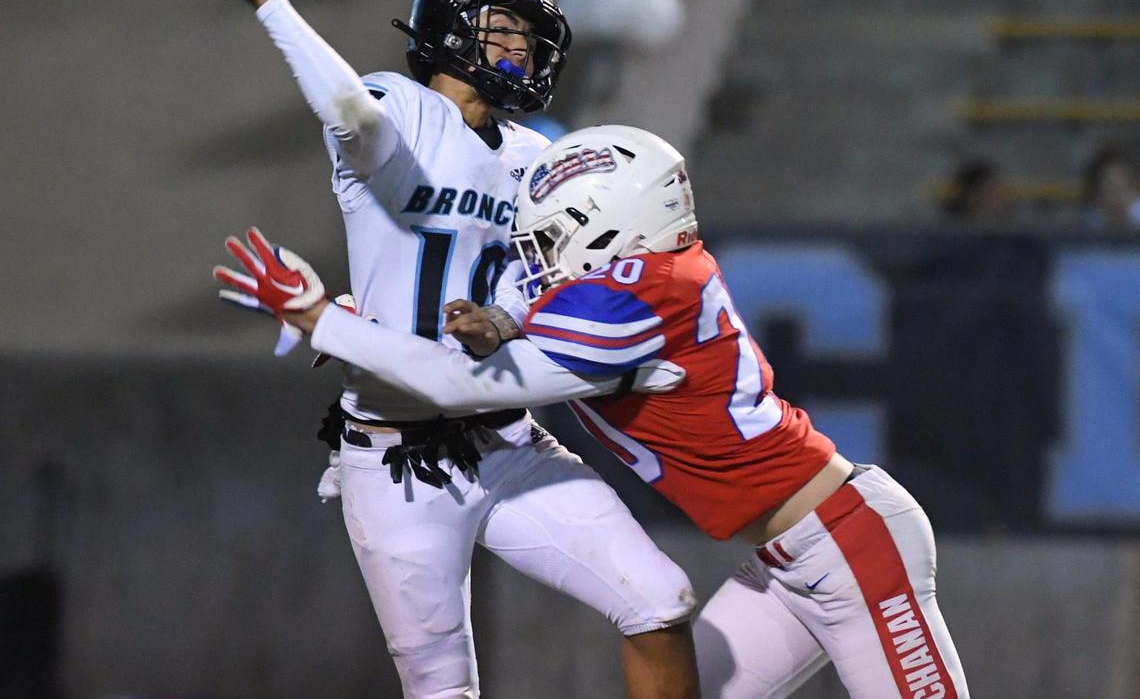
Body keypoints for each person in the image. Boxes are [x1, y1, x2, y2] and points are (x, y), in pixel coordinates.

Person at [217, 124, 971, 698]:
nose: (538, 260)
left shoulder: (632, 296)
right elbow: (491, 335)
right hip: (789, 561)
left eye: (549, 238)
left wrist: (325, 319)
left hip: (850, 544)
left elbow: (459, 385)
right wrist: (379, 317)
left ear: (609, 221)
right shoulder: (642, 280)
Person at [193, 0, 700, 699]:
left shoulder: (535, 154)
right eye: (505, 28)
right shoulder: (399, 109)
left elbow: (544, 285)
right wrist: (270, 2)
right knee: (442, 691)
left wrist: (497, 314)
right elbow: (350, 115)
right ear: (451, 28)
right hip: (397, 462)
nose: (523, 50)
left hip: (508, 441)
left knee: (661, 601)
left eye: (530, 38)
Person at [1081, 146, 1140, 229]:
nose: (1117, 197)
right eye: (1110, 189)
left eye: (1122, 189)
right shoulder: (1086, 225)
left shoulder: (1137, 213)